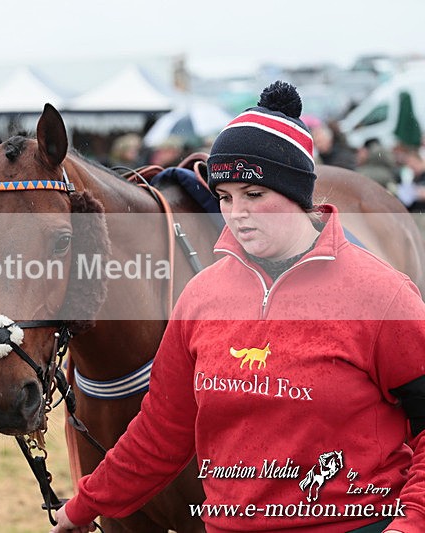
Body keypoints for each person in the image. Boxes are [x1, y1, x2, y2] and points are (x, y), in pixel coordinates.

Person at [52, 81, 425, 533]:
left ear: (296, 192)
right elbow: (160, 433)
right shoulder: (201, 297)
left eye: (253, 194)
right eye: (225, 197)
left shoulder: (381, 295)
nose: (237, 214)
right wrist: (83, 506)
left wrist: (411, 523)